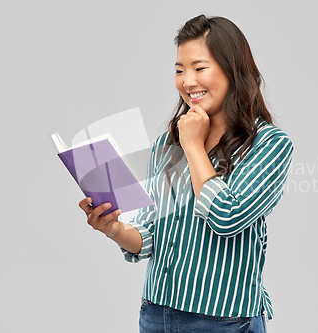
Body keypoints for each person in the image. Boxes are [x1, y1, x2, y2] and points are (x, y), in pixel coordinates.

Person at [79, 14, 294, 333]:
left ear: (232, 71)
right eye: (180, 70)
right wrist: (113, 228)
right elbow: (152, 234)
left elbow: (227, 217)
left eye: (199, 67)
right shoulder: (167, 144)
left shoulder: (269, 145)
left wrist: (193, 147)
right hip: (156, 316)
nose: (187, 81)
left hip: (222, 321)